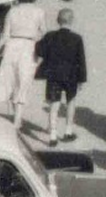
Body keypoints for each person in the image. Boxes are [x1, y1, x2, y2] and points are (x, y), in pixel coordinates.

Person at [0, 0, 50, 127]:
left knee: (10, 78)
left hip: (12, 45)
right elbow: (44, 33)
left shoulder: (12, 11)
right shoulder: (39, 12)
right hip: (29, 47)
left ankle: (12, 114)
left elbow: (5, 35)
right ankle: (17, 119)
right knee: (23, 82)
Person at [35, 8, 86, 144]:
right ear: (72, 21)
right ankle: (68, 131)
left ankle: (52, 135)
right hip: (71, 76)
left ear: (58, 20)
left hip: (54, 75)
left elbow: (39, 50)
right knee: (71, 102)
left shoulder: (50, 36)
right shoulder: (77, 38)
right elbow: (81, 60)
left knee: (54, 104)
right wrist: (81, 79)